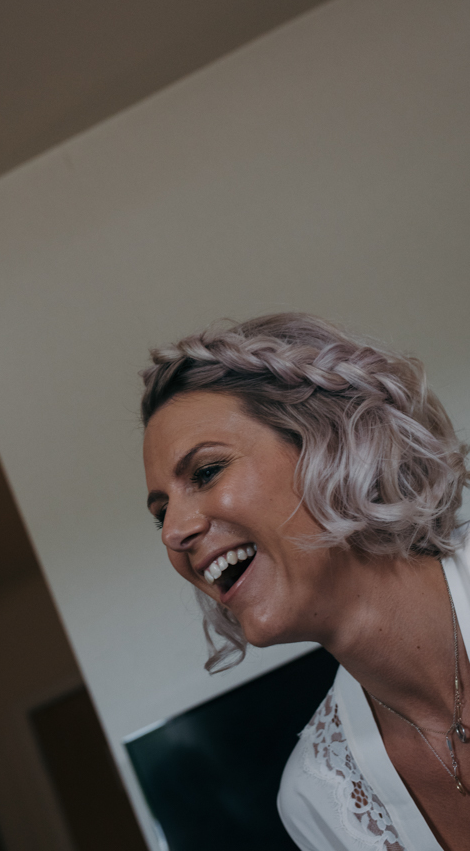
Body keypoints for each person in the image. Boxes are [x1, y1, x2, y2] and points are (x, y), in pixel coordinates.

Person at [140, 313, 470, 851]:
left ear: (334, 445)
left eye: (205, 472)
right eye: (161, 514)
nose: (173, 534)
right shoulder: (317, 800)